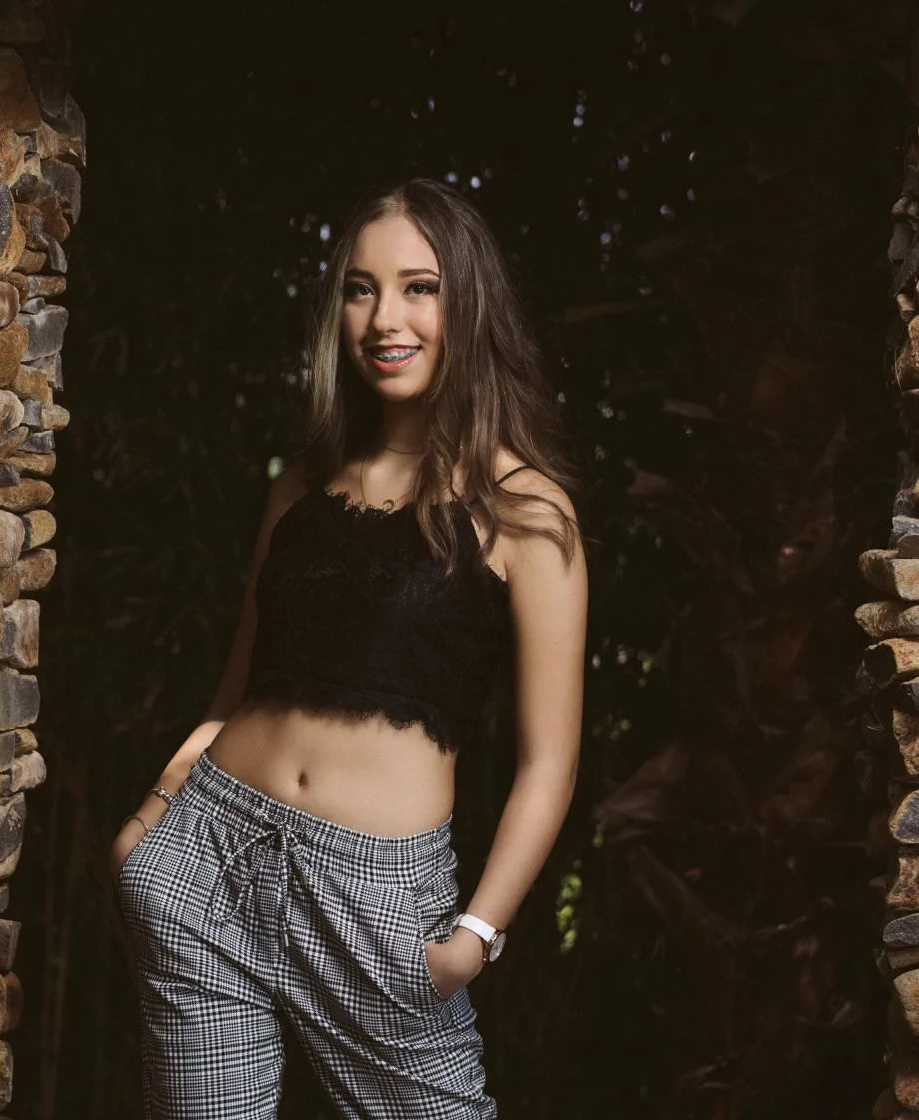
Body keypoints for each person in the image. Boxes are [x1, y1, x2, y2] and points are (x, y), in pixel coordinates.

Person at [109, 177, 589, 1120]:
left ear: (470, 303)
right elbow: (236, 689)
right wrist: (150, 823)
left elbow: (550, 763)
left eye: (420, 287)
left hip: (377, 901)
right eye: (361, 289)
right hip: (205, 855)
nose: (385, 318)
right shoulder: (299, 489)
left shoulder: (528, 512)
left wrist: (476, 934)